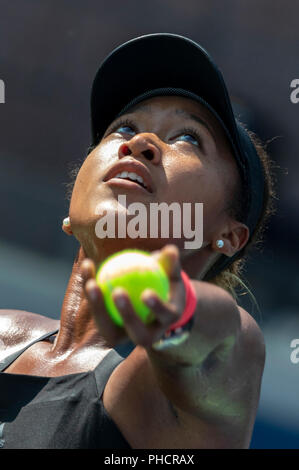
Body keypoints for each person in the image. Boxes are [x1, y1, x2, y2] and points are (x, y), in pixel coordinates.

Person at [0, 33, 275, 449]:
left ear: (228, 235)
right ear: (70, 214)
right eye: (125, 127)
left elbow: (228, 337)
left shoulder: (171, 389)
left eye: (188, 137)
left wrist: (177, 310)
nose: (140, 142)